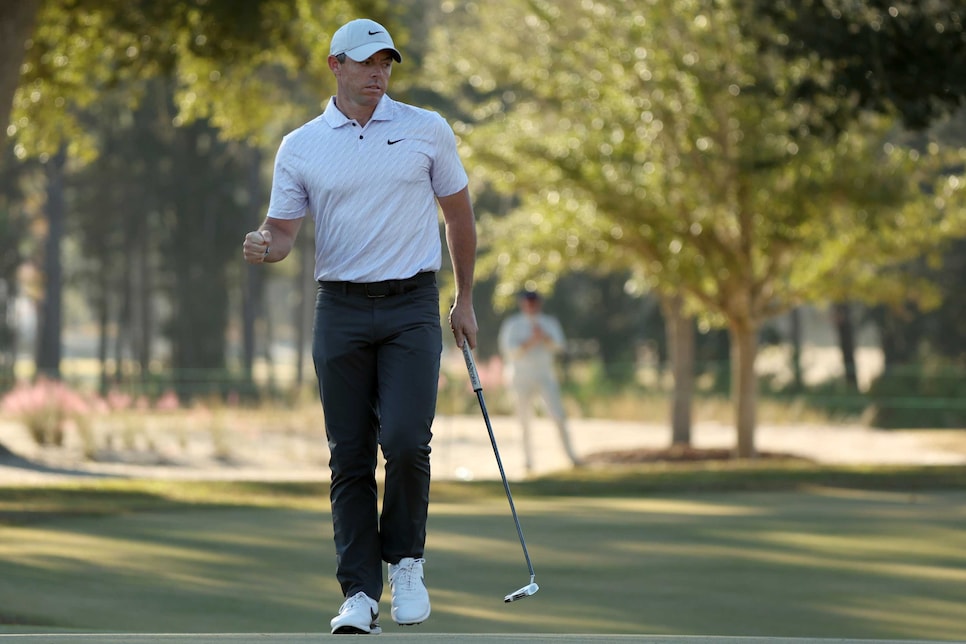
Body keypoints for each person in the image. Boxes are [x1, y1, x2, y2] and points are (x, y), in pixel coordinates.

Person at [242, 18, 478, 636]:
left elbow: (458, 216)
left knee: (404, 440)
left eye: (387, 63)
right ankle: (359, 595)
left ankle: (405, 563)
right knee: (348, 456)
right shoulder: (301, 145)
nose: (379, 73)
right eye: (366, 63)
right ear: (335, 66)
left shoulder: (427, 130)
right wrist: (265, 244)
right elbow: (285, 232)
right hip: (340, 308)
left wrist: (466, 299)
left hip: (411, 307)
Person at [498, 290, 582, 472]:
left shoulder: (549, 323)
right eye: (528, 302)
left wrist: (545, 338)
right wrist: (530, 341)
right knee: (524, 420)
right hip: (521, 377)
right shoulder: (513, 324)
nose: (531, 306)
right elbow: (509, 350)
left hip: (545, 375)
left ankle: (570, 455)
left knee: (558, 415)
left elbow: (560, 346)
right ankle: (527, 461)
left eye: (534, 302)